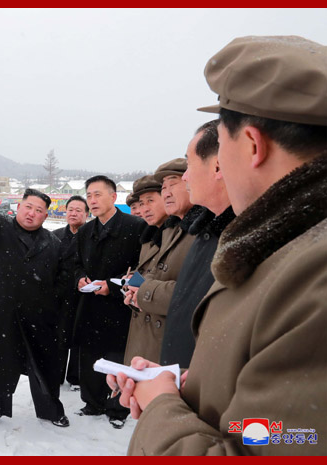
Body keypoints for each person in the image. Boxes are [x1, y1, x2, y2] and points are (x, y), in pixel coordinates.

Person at [109, 35, 327, 455]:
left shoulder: (310, 273)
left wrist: (161, 406)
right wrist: (201, 385)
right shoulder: (285, 246)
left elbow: (290, 443)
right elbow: (270, 428)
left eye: (220, 148)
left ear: (251, 146)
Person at [0, 174, 69, 432]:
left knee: (44, 368)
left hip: (39, 317)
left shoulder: (54, 243)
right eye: (28, 207)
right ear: (19, 207)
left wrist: (54, 308)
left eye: (39, 211)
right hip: (2, 313)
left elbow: (62, 280)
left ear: (46, 216)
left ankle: (50, 410)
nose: (32, 214)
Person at [71, 175, 145, 428]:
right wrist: (80, 278)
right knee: (89, 356)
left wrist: (113, 287)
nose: (92, 200)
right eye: (89, 195)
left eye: (98, 194)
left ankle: (117, 409)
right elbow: (75, 263)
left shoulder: (135, 227)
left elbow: (143, 270)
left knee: (116, 359)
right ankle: (92, 402)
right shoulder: (84, 231)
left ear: (114, 197)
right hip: (90, 305)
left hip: (120, 307)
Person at [160, 120, 235, 367]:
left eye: (189, 164)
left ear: (216, 166)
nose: (186, 176)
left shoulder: (241, 241)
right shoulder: (207, 232)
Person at [123, 159, 199, 365]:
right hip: (149, 341)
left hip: (174, 349)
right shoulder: (158, 234)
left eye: (150, 201)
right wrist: (133, 286)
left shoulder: (202, 232)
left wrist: (143, 289)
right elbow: (156, 275)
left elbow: (196, 293)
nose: (144, 209)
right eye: (140, 204)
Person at [53, 195, 89, 391]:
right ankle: (56, 375)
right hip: (59, 296)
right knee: (58, 336)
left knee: (78, 337)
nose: (73, 213)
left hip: (83, 294)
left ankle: (75, 377)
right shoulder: (55, 235)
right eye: (70, 210)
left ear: (86, 214)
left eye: (78, 210)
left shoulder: (91, 236)